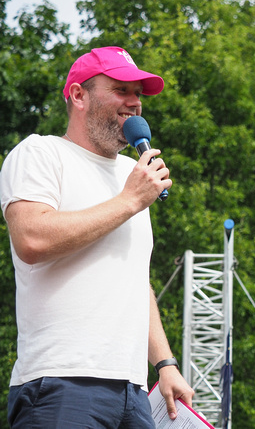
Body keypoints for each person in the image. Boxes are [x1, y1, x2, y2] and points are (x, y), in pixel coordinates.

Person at [1, 46, 194, 428]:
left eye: (138, 94)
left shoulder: (133, 175)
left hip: (134, 392)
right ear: (78, 95)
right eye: (121, 89)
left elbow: (135, 280)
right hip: (61, 382)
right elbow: (32, 240)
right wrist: (128, 201)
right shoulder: (41, 152)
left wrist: (166, 363)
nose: (134, 103)